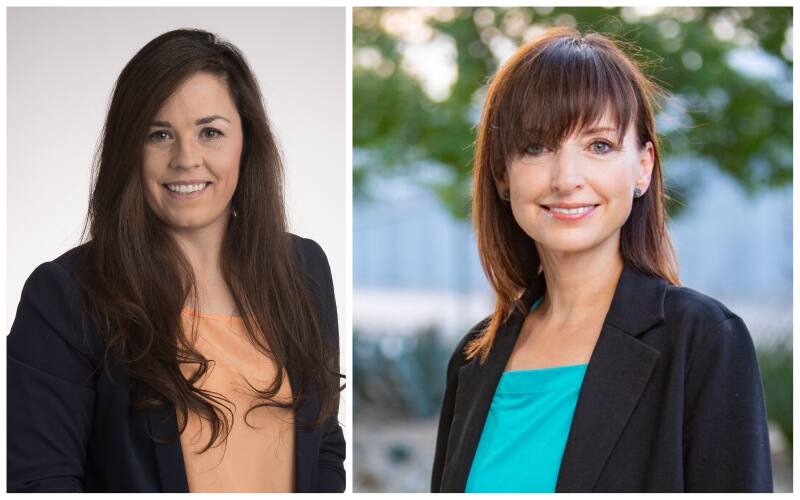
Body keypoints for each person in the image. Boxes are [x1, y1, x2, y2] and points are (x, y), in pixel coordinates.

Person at [431, 27, 772, 493]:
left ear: (643, 167)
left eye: (599, 145)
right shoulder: (475, 356)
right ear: (501, 174)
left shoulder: (703, 340)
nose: (567, 178)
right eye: (536, 147)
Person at [8, 29, 344, 493]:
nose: (186, 158)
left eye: (210, 132)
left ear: (246, 143)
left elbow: (324, 443)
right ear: (129, 150)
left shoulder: (303, 269)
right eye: (159, 134)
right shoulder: (66, 296)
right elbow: (40, 482)